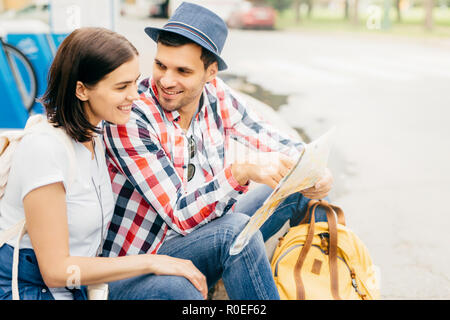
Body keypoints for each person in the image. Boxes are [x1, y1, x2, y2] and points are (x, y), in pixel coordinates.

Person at [102, 2, 333, 300]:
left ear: (210, 72)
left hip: (202, 239)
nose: (167, 80)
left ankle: (324, 287)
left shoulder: (216, 95)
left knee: (301, 187)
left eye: (183, 71)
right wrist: (240, 171)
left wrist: (314, 169)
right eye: (161, 65)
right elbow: (179, 214)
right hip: (142, 264)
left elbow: (266, 135)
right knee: (234, 231)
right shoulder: (133, 117)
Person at [0, 27, 209, 300]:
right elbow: (55, 270)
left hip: (78, 290)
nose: (135, 95)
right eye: (121, 87)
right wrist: (151, 261)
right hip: (31, 290)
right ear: (81, 90)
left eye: (135, 82)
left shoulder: (95, 137)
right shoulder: (45, 148)